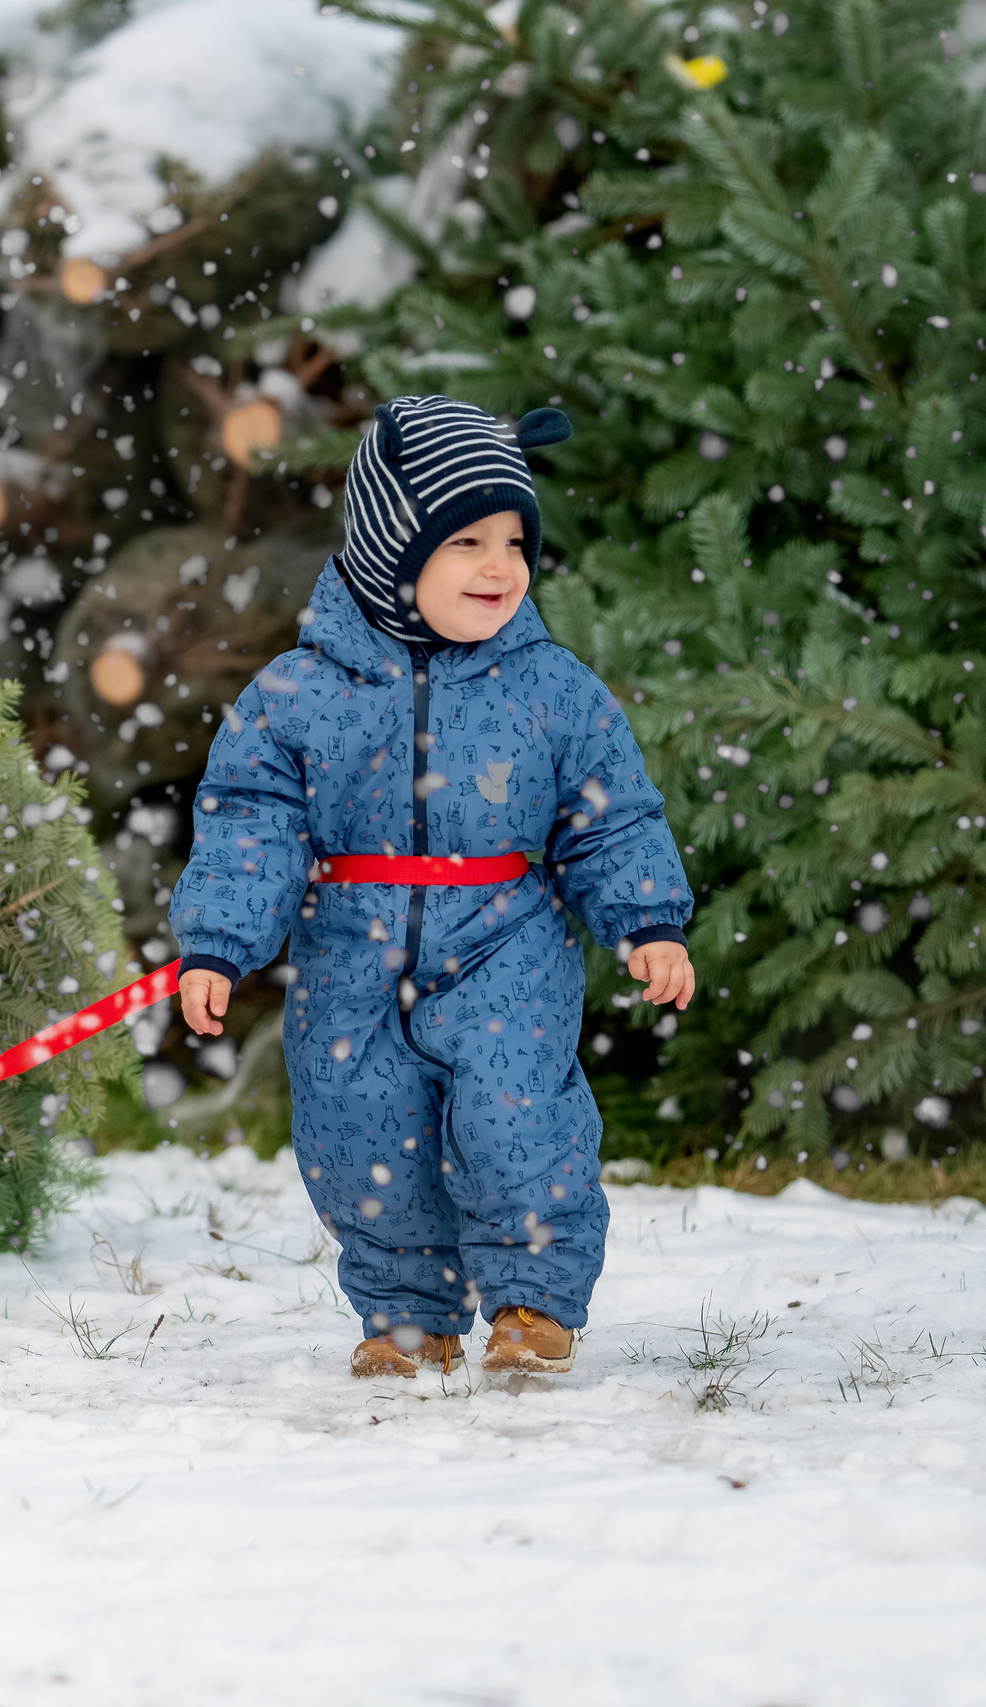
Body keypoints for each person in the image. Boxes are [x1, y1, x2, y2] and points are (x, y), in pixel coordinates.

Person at [169, 395, 694, 1378]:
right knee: (361, 1134)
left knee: (515, 1115)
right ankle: (409, 1317)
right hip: (352, 948)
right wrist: (221, 940)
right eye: (465, 541)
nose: (500, 566)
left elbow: (612, 811)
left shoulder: (550, 689)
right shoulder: (297, 693)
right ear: (388, 548)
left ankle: (532, 1302)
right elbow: (251, 816)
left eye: (512, 540)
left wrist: (647, 920)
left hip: (505, 939)